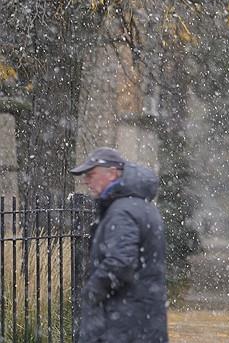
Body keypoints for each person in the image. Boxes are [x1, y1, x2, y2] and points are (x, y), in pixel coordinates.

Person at [70, 147, 168, 343]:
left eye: (91, 174)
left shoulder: (122, 211)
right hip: (139, 318)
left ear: (113, 173)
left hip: (124, 322)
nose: (86, 181)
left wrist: (92, 291)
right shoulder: (139, 205)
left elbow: (121, 261)